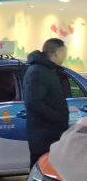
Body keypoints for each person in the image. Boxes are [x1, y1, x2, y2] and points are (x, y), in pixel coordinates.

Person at [24, 38, 69, 168]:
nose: (65, 57)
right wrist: (58, 117)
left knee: (51, 170)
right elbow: (33, 102)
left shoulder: (51, 70)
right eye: (64, 53)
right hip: (43, 135)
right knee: (41, 169)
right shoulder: (38, 71)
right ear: (57, 52)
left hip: (52, 133)